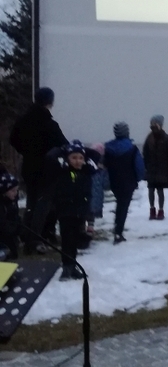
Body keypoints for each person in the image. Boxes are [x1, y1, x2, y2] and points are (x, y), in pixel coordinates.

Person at [9, 87, 67, 248]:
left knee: (31, 202)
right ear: (50, 102)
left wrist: (25, 151)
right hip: (47, 169)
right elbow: (64, 144)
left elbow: (13, 140)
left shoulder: (22, 121)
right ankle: (35, 238)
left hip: (28, 166)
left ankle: (26, 234)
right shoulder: (50, 124)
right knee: (43, 204)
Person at [36, 142, 99, 279]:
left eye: (80, 158)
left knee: (74, 240)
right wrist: (63, 149)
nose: (77, 161)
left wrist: (81, 148)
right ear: (67, 158)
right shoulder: (61, 170)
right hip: (65, 211)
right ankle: (66, 267)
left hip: (80, 211)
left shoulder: (86, 171)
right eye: (74, 157)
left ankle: (73, 265)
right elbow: (50, 156)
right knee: (67, 240)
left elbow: (96, 154)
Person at [104, 122, 145, 244]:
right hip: (129, 182)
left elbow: (105, 166)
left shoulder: (108, 149)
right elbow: (139, 167)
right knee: (123, 206)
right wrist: (139, 178)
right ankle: (118, 232)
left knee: (120, 203)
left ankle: (118, 229)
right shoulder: (132, 149)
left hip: (114, 182)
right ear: (127, 133)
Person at [142, 115, 168, 218]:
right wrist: (144, 167)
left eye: (155, 123)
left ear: (160, 125)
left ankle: (161, 211)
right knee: (151, 190)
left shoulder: (167, 139)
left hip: (162, 170)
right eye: (152, 123)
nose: (153, 125)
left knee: (160, 190)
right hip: (151, 169)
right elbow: (145, 153)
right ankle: (152, 210)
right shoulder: (149, 138)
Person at [0, 172, 21, 261]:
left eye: (17, 190)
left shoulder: (11, 203)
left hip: (11, 236)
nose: (15, 193)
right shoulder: (2, 206)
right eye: (12, 191)